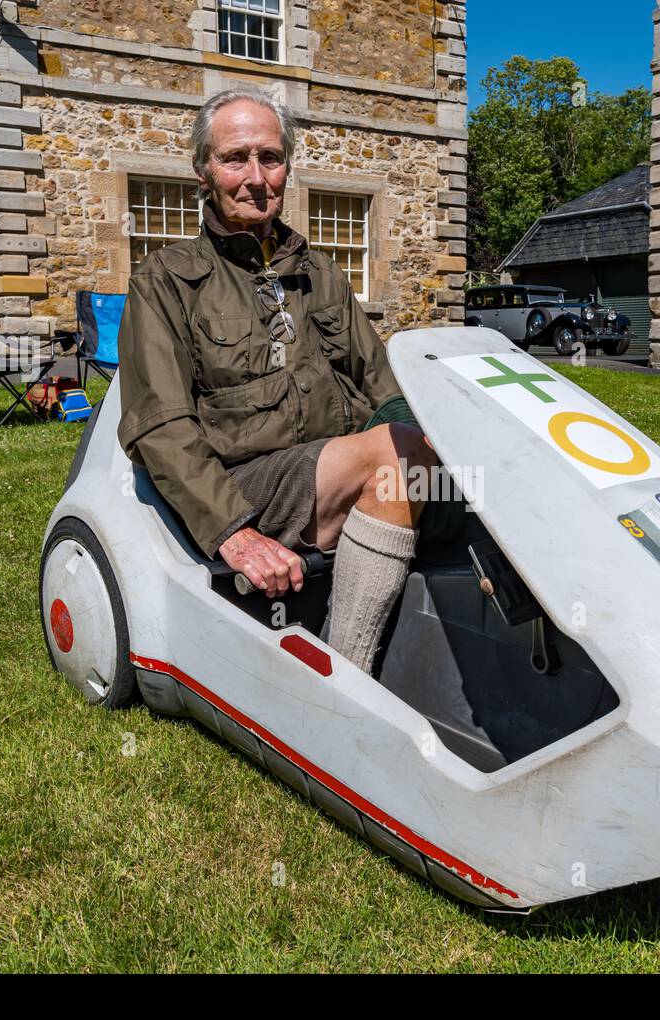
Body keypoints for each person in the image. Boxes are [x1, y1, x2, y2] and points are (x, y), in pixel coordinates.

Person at [116, 88, 437, 675]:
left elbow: (386, 387)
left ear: (288, 166)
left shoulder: (320, 274)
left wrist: (432, 452)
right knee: (395, 459)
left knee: (431, 455)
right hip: (241, 482)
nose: (255, 176)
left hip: (328, 465)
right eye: (234, 158)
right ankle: (345, 680)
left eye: (271, 157)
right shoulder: (165, 280)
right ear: (203, 172)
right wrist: (232, 532)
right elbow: (160, 424)